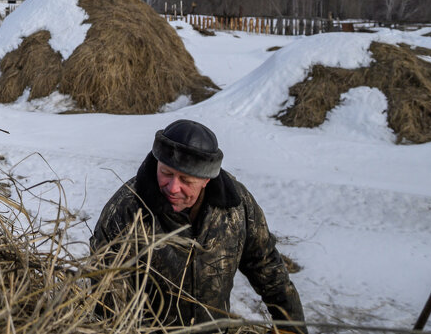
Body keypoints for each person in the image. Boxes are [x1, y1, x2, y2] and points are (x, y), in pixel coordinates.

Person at [91, 120, 305, 332]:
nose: (173, 187)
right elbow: (107, 297)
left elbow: (264, 262)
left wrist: (291, 325)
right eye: (166, 173)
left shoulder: (236, 205)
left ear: (206, 180)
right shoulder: (127, 210)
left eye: (186, 179)